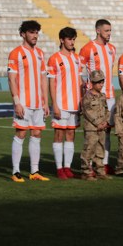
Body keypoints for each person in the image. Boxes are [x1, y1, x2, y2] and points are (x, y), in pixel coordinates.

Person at [8, 20, 50, 182]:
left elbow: (42, 79)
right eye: (32, 32)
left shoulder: (40, 53)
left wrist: (46, 102)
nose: (35, 36)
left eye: (36, 32)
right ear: (23, 34)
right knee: (21, 133)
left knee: (37, 134)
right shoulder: (16, 53)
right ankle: (16, 171)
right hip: (23, 102)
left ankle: (34, 171)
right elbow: (11, 79)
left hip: (38, 103)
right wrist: (17, 102)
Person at [79, 19, 118, 173]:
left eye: (110, 31)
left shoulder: (112, 49)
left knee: (106, 131)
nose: (109, 33)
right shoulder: (87, 48)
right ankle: (88, 165)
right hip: (94, 98)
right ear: (98, 30)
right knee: (92, 133)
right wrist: (85, 91)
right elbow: (79, 73)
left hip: (109, 95)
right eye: (107, 30)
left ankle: (103, 164)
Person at [47, 27, 83, 180]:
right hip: (61, 104)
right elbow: (51, 83)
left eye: (73, 39)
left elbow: (80, 81)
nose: (72, 42)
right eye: (69, 39)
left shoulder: (77, 58)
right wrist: (54, 104)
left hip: (75, 104)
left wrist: (82, 100)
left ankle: (67, 167)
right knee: (59, 135)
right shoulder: (54, 58)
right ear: (62, 40)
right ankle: (59, 168)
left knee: (71, 135)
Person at [80, 69, 110, 181]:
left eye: (102, 82)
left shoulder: (103, 96)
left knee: (100, 150)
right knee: (89, 150)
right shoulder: (87, 96)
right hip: (92, 128)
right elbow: (88, 111)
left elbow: (107, 110)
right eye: (98, 82)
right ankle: (86, 172)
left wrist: (106, 122)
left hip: (102, 128)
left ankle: (100, 171)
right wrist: (98, 123)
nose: (101, 84)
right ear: (92, 82)